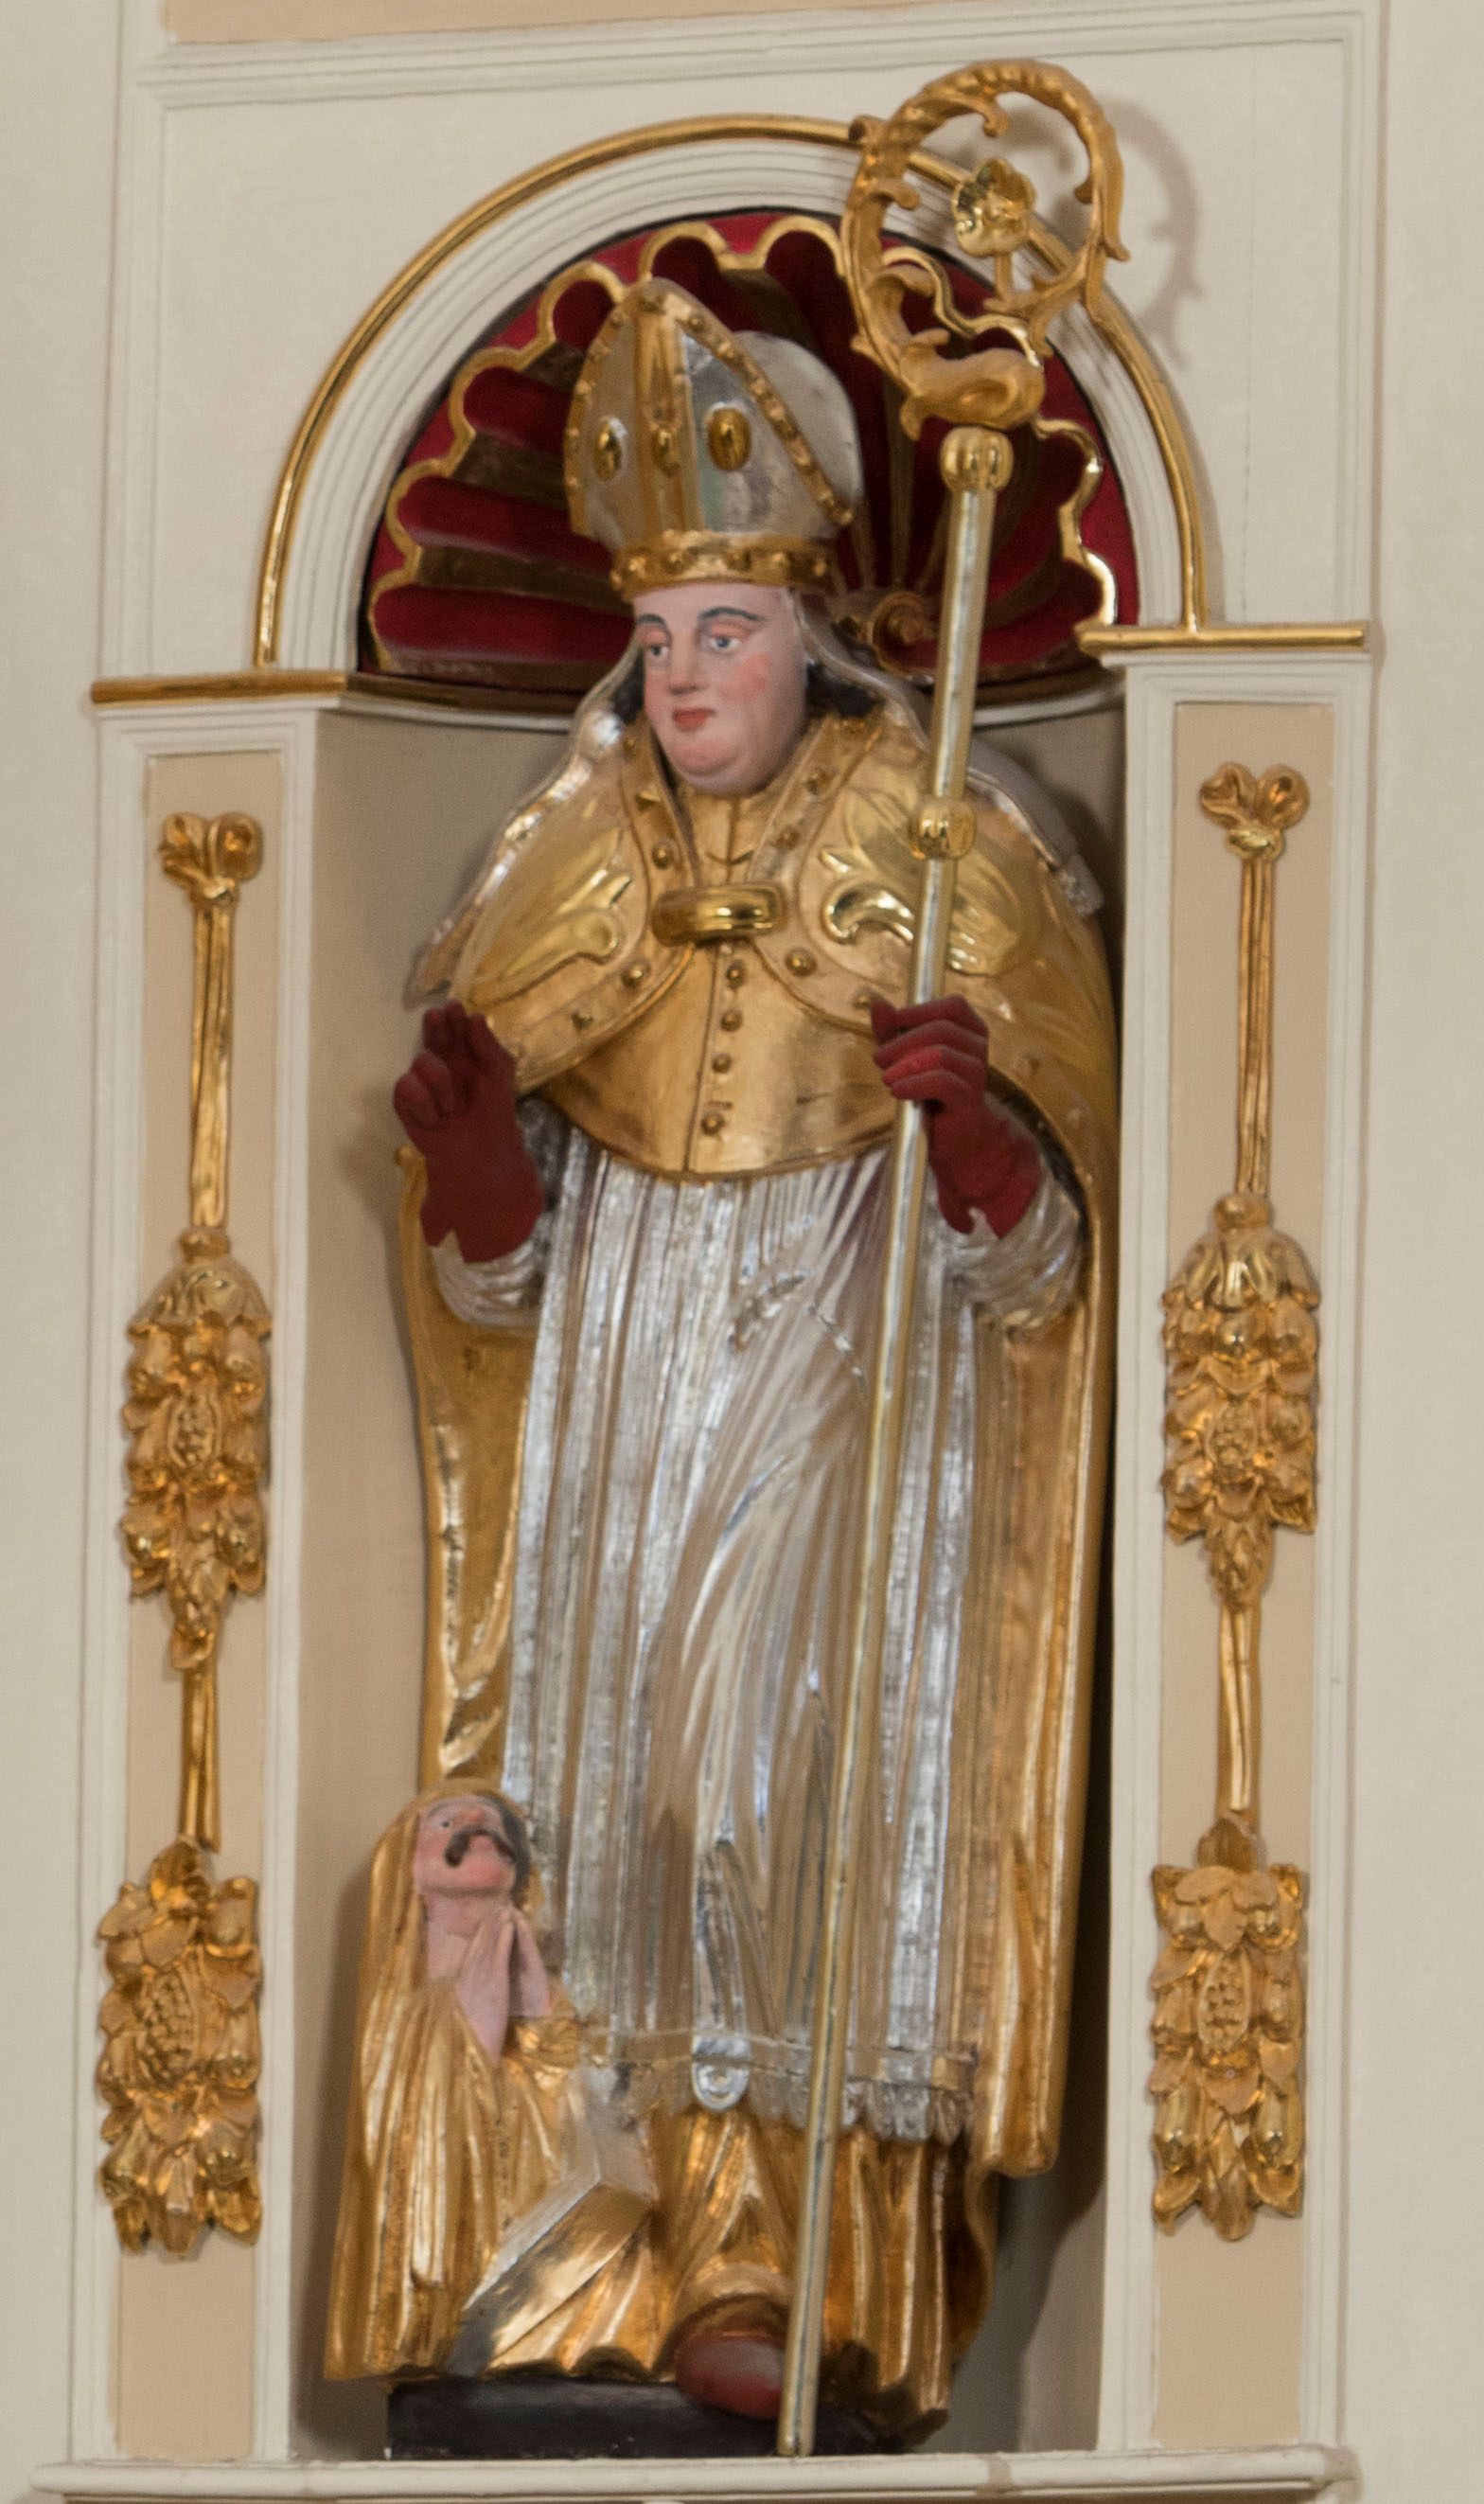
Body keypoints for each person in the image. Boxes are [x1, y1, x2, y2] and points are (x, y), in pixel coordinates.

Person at [366, 278, 1116, 2439]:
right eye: (659, 634)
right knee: (599, 1799)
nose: (685, 674)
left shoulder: (948, 842)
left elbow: (1046, 1287)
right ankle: (598, 2242)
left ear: (820, 639)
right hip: (622, 1404)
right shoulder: (568, 857)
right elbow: (496, 1316)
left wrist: (978, 1136)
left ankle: (785, 2250)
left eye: (728, 630)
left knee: (757, 1792)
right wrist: (479, 1184)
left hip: (848, 1374)